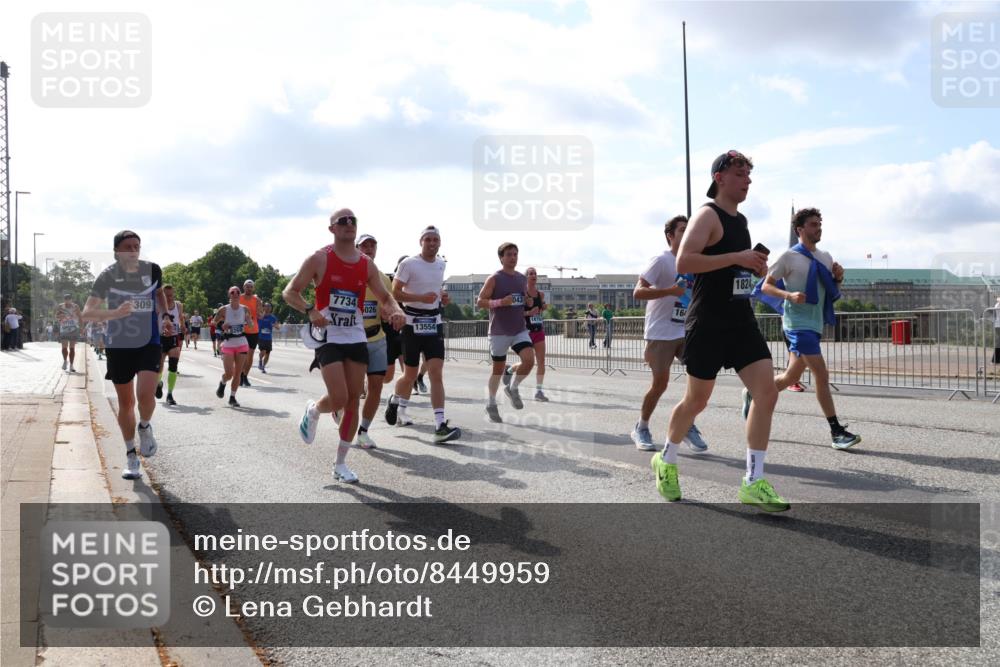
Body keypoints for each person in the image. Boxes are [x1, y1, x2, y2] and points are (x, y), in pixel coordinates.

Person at [652, 150, 789, 512]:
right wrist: (735, 258)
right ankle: (666, 459)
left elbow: (734, 267)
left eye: (749, 174)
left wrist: (754, 267)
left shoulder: (740, 221)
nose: (747, 180)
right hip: (708, 321)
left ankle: (753, 481)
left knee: (767, 393)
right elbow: (685, 261)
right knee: (697, 401)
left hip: (740, 320)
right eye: (740, 173)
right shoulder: (707, 215)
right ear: (719, 177)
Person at [285, 208, 405, 483]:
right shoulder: (319, 258)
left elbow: (387, 298)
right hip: (329, 337)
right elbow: (290, 291)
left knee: (353, 401)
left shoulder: (366, 264)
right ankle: (314, 410)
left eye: (353, 221)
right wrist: (310, 310)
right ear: (333, 229)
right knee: (338, 397)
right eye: (343, 221)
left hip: (356, 336)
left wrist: (397, 310)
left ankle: (340, 464)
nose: (349, 224)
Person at [753, 208, 857, 449]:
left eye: (819, 223)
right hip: (797, 325)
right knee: (821, 375)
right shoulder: (788, 257)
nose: (818, 227)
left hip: (815, 322)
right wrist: (788, 295)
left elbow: (830, 288)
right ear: (800, 229)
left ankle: (754, 393)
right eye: (813, 224)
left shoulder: (826, 257)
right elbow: (766, 287)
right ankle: (836, 431)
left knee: (792, 376)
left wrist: (839, 278)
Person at [82, 230, 167, 480]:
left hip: (149, 341)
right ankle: (131, 455)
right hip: (119, 344)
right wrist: (115, 314)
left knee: (146, 395)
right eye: (128, 247)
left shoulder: (153, 270)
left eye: (137, 246)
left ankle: (145, 426)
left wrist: (165, 316)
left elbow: (159, 294)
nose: (133, 251)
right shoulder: (107, 276)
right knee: (127, 403)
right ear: (117, 251)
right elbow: (88, 312)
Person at [630, 215, 708, 453]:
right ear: (670, 236)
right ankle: (641, 427)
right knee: (660, 384)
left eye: (690, 230)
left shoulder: (695, 262)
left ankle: (686, 425)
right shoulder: (661, 260)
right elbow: (638, 292)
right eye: (683, 230)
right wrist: (669, 291)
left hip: (686, 330)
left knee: (701, 378)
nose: (687, 234)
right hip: (661, 332)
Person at [384, 225, 461, 443]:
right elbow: (395, 292)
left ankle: (439, 426)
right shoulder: (409, 264)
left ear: (440, 242)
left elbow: (435, 291)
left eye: (435, 239)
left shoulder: (440, 264)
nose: (431, 243)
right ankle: (395, 400)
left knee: (436, 373)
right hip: (412, 323)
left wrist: (441, 298)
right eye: (427, 239)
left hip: (434, 322)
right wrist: (420, 298)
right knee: (409, 375)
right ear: (421, 242)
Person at [477, 242, 535, 423]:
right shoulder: (494, 278)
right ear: (501, 258)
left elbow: (523, 300)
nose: (513, 257)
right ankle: (491, 403)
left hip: (519, 329)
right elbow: (480, 301)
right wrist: (500, 302)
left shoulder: (521, 278)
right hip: (499, 331)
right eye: (509, 254)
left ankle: (513, 387)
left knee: (529, 360)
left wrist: (527, 300)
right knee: (497, 370)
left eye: (515, 254)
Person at [352, 233, 396, 449]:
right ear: (357, 248)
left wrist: (389, 314)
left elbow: (387, 307)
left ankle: (363, 431)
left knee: (376, 386)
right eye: (364, 246)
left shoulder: (383, 279)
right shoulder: (348, 274)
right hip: (352, 340)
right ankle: (337, 408)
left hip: (377, 337)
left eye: (372, 246)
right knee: (351, 390)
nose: (369, 249)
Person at [214, 287, 252, 407]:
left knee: (238, 373)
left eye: (237, 292)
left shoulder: (245, 309)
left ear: (240, 295)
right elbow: (213, 323)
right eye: (232, 292)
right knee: (229, 373)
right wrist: (222, 325)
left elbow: (250, 325)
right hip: (229, 343)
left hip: (241, 342)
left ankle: (232, 397)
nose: (235, 294)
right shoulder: (224, 309)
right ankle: (223, 381)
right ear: (229, 295)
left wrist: (248, 321)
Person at [522, 267, 549, 401]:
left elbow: (541, 309)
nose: (533, 275)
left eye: (535, 273)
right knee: (527, 363)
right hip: (525, 332)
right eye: (530, 273)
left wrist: (543, 307)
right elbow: (516, 313)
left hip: (539, 330)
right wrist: (528, 313)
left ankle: (539, 391)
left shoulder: (540, 294)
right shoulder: (522, 294)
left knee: (541, 362)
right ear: (526, 277)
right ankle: (508, 371)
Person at [155, 284, 185, 406]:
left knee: (173, 365)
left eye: (171, 295)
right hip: (160, 338)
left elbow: (180, 317)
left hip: (174, 338)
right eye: (166, 295)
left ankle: (170, 394)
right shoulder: (158, 305)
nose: (169, 298)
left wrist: (182, 326)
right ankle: (159, 384)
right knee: (159, 367)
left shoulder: (178, 305)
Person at [238, 279, 264, 387]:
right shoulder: (238, 298)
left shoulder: (256, 300)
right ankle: (239, 376)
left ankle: (245, 376)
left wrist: (260, 312)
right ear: (243, 287)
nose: (249, 288)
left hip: (253, 330)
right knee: (242, 355)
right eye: (247, 286)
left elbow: (260, 315)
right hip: (241, 330)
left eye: (251, 286)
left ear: (253, 288)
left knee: (250, 355)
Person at [55, 294, 82, 372]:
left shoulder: (76, 306)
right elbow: (56, 316)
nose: (68, 301)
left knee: (72, 347)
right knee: (64, 347)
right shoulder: (60, 306)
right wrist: (60, 316)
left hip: (74, 328)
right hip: (64, 328)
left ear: (71, 300)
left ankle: (71, 365)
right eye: (66, 299)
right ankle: (64, 361)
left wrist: (81, 328)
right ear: (64, 300)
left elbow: (80, 317)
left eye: (69, 299)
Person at [257, 303, 278, 373]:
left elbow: (278, 327)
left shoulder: (273, 317)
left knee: (268, 353)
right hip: (261, 337)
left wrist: (275, 326)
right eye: (266, 306)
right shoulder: (260, 316)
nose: (268, 308)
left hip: (269, 338)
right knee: (263, 351)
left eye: (269, 306)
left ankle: (263, 366)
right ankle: (260, 360)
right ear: (263, 308)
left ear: (271, 308)